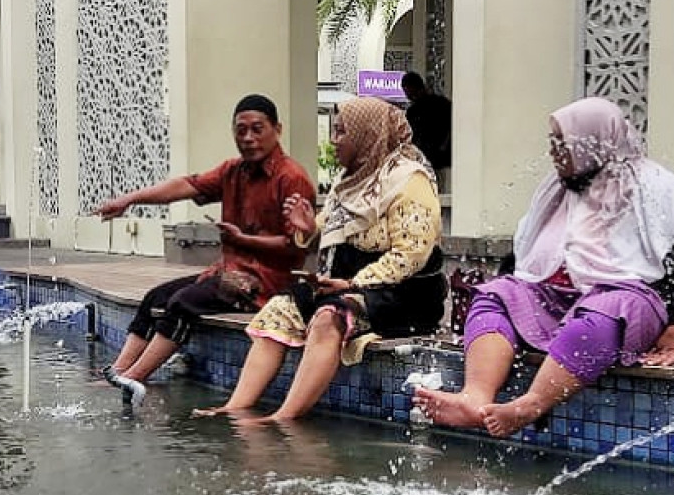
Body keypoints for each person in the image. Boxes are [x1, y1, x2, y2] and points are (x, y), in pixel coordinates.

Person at [414, 97, 674, 438]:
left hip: (623, 302)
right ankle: (474, 398)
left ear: (593, 141)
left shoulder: (659, 191)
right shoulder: (556, 189)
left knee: (605, 309)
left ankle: (530, 404)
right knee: (496, 294)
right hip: (554, 298)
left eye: (562, 143)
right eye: (553, 142)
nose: (554, 151)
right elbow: (525, 259)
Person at [195, 97, 446, 423]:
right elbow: (326, 231)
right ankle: (236, 407)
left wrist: (354, 283)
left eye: (341, 132)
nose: (334, 140)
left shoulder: (409, 181)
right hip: (350, 284)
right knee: (281, 307)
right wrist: (308, 228)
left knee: (329, 317)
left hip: (404, 294)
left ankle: (283, 417)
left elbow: (411, 254)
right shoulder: (352, 181)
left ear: (365, 134)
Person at [96, 94, 316, 405]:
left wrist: (245, 240)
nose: (249, 138)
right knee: (155, 298)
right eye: (241, 130)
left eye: (257, 129)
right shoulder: (232, 170)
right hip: (228, 273)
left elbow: (297, 247)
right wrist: (129, 200)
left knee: (185, 301)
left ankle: (134, 378)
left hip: (266, 283)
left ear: (277, 129)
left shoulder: (292, 177)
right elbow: (185, 186)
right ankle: (119, 371)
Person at [401, 71, 451, 173]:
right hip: (434, 158)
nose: (408, 96)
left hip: (434, 158)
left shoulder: (439, 105)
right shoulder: (441, 104)